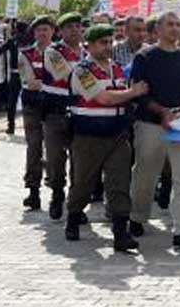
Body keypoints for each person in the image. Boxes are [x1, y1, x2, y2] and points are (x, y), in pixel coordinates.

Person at [64, 24, 148, 251]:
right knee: (83, 182)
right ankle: (73, 217)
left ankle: (121, 232)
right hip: (88, 136)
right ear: (89, 45)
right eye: (102, 42)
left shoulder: (119, 70)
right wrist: (133, 92)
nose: (108, 46)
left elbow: (124, 97)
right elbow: (104, 99)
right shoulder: (82, 71)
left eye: (110, 42)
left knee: (119, 183)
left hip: (117, 135)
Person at [129, 11, 180, 249]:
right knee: (145, 175)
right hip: (151, 123)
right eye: (169, 24)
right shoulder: (144, 57)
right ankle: (137, 217)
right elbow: (139, 93)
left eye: (178, 24)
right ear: (157, 29)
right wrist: (161, 112)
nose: (175, 28)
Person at [41, 12, 88, 220]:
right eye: (70, 27)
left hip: (80, 113)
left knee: (79, 161)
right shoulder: (53, 51)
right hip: (55, 112)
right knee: (55, 159)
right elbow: (67, 75)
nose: (75, 30)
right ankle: (57, 193)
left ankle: (75, 203)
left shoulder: (87, 52)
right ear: (60, 31)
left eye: (78, 26)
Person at [18, 16, 54, 210]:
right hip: (32, 105)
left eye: (46, 29)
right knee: (34, 146)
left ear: (52, 32)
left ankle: (56, 186)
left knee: (55, 148)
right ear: (34, 33)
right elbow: (30, 83)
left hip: (54, 106)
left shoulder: (59, 53)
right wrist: (52, 84)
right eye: (39, 29)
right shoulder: (26, 53)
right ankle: (33, 190)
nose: (43, 33)